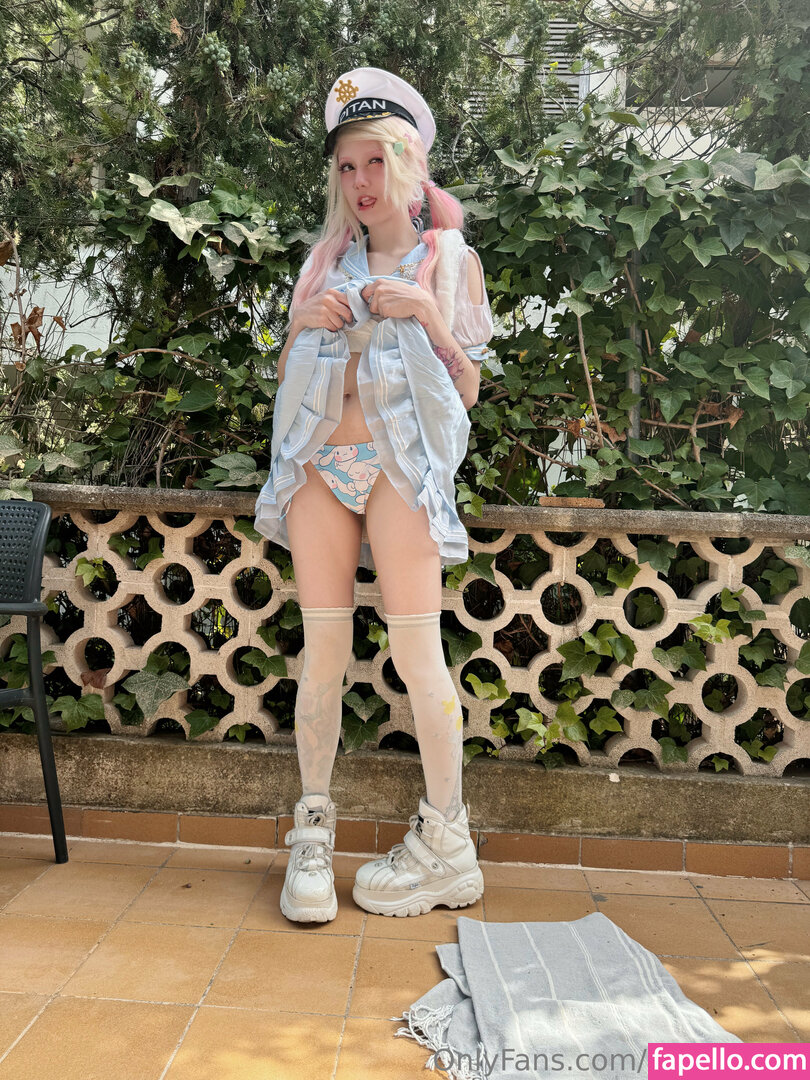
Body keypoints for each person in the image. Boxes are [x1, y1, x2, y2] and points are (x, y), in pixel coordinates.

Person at [253, 67, 495, 922]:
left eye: (374, 162)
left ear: (408, 163)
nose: (359, 182)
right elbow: (289, 383)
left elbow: (467, 391)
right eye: (346, 166)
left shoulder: (448, 259)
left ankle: (448, 841)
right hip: (322, 467)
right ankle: (313, 833)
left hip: (400, 471)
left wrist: (425, 315)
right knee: (323, 650)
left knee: (417, 652)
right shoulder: (325, 261)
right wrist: (301, 325)